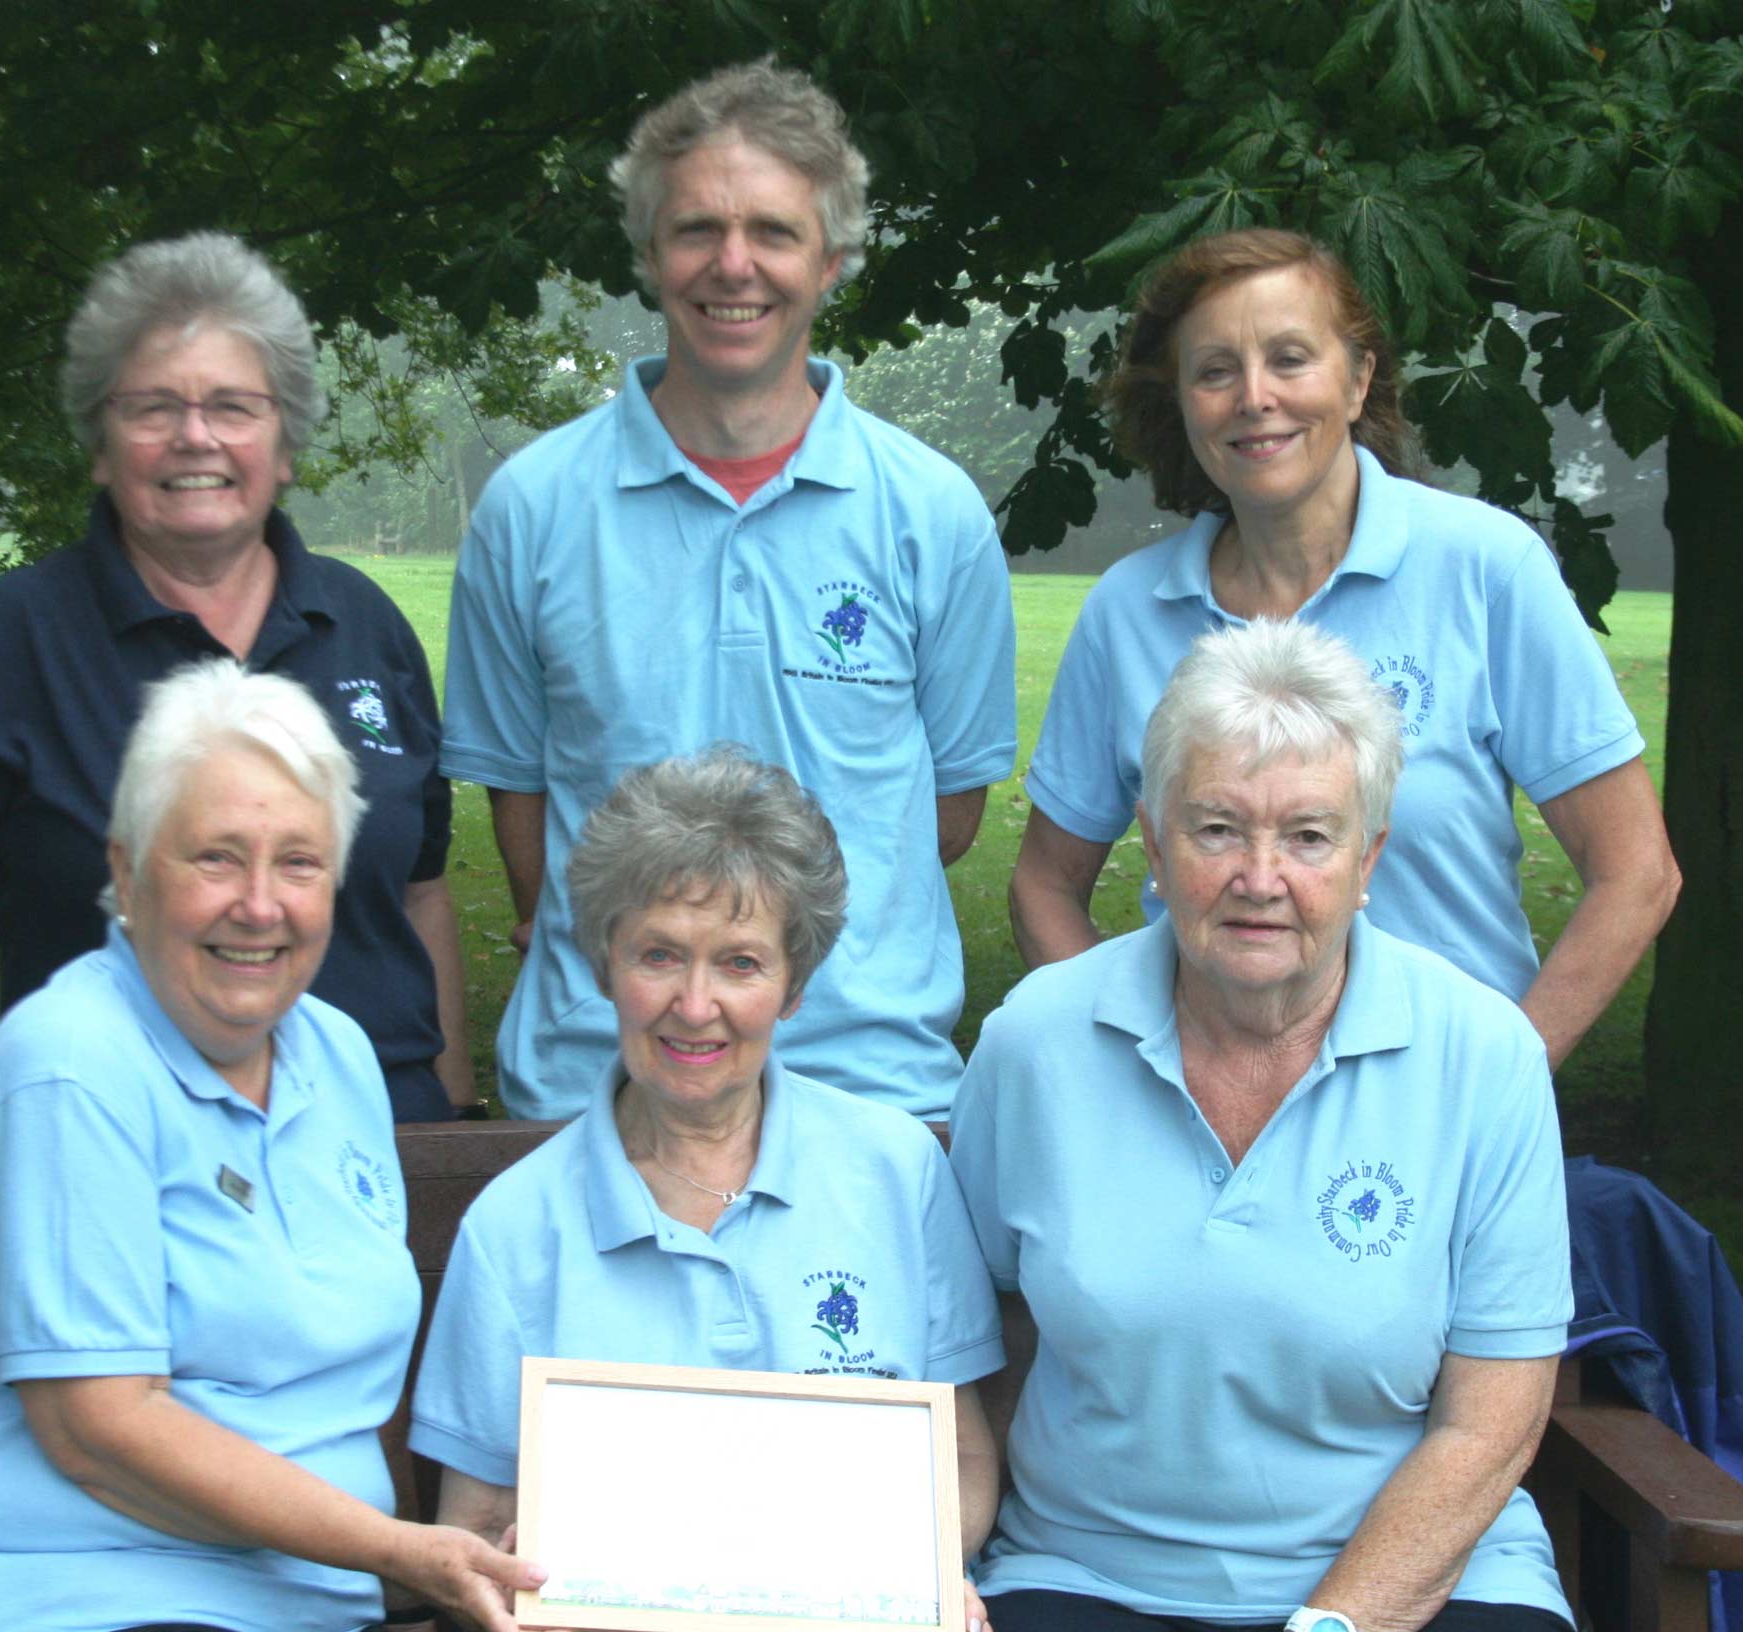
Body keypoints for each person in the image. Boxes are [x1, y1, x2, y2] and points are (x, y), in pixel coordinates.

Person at [0, 661, 538, 1632]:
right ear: (126, 873)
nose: (260, 903)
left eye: (299, 861)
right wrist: (401, 1553)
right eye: (215, 857)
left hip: (297, 1602)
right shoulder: (73, 1066)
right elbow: (100, 1431)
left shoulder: (333, 1056)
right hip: (53, 1594)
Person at [0, 230, 474, 1223]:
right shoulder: (19, 637)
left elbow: (418, 891)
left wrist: (450, 1119)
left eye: (232, 408)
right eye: (153, 408)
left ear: (286, 446)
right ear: (99, 443)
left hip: (372, 1159)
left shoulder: (365, 624)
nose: (194, 438)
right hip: (115, 1169)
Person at [952, 620, 1574, 1632]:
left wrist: (1332, 1623)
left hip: (1418, 1580)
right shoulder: (1036, 1045)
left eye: (1309, 836)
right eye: (1217, 828)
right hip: (1092, 1573)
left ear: (1370, 858)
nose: (1260, 876)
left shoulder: (1482, 1057)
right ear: (1153, 842)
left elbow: (1490, 1425)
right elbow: (976, 1330)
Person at [441, 58, 1017, 1119]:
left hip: (867, 1086)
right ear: (650, 252)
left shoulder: (932, 513)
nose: (733, 265)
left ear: (832, 258)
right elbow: (517, 800)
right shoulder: (530, 509)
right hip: (594, 1081)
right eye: (698, 229)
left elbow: (943, 816)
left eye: (775, 232)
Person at [1009, 227, 1678, 1069]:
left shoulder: (1484, 569)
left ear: (1358, 379)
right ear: (1180, 402)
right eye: (1214, 370)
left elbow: (1636, 872)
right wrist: (1132, 1068)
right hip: (1205, 1123)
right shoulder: (1128, 611)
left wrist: (1500, 1085)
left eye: (1290, 358)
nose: (1254, 396)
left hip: (1436, 1119)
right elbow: (1043, 884)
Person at [409, 747, 1005, 1624]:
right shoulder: (515, 1225)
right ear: (605, 962)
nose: (695, 1005)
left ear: (793, 985)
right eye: (659, 955)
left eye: (739, 963)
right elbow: (478, 1520)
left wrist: (904, 1578)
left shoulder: (896, 1171)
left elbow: (960, 1461)